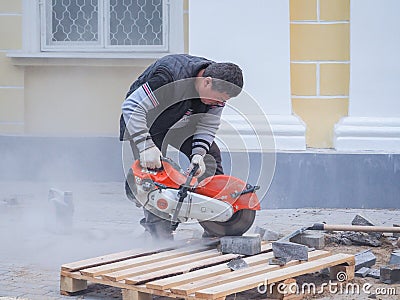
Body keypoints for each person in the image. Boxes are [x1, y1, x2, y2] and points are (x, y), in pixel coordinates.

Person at [119, 54, 243, 239]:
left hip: (183, 121)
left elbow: (208, 125)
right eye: (217, 100)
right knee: (154, 175)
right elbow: (131, 107)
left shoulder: (220, 86)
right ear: (207, 82)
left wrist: (198, 155)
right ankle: (159, 234)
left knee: (211, 157)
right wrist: (145, 146)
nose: (219, 104)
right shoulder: (168, 76)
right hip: (146, 124)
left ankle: (215, 225)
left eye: (223, 102)